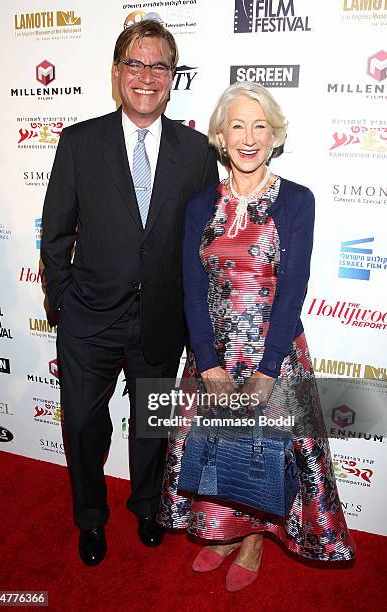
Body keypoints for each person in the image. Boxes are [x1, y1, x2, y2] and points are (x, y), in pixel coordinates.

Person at [159, 82, 355, 591]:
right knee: (220, 450)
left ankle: (252, 541)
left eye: (260, 126)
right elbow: (190, 284)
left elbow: (294, 290)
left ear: (275, 134)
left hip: (275, 355)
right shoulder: (201, 203)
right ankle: (225, 532)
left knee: (265, 452)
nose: (249, 137)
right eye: (237, 126)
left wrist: (269, 370)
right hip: (215, 356)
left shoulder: (297, 201)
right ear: (221, 137)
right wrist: (207, 363)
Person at [41, 19, 218, 566]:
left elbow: (200, 245)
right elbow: (56, 234)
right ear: (117, 72)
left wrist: (194, 322)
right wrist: (65, 305)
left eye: (159, 65)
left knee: (152, 429)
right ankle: (91, 518)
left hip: (161, 323)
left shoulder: (195, 151)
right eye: (135, 64)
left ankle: (146, 506)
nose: (147, 76)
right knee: (85, 428)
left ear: (173, 77)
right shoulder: (79, 142)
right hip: (88, 321)